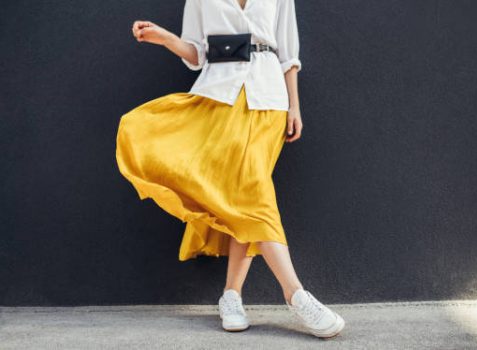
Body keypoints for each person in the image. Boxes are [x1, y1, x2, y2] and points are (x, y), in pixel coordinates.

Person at [115, 0, 345, 339]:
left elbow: (287, 51)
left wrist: (294, 105)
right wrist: (166, 39)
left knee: (247, 191)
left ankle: (235, 297)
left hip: (268, 99)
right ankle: (291, 294)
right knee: (247, 193)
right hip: (218, 97)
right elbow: (196, 54)